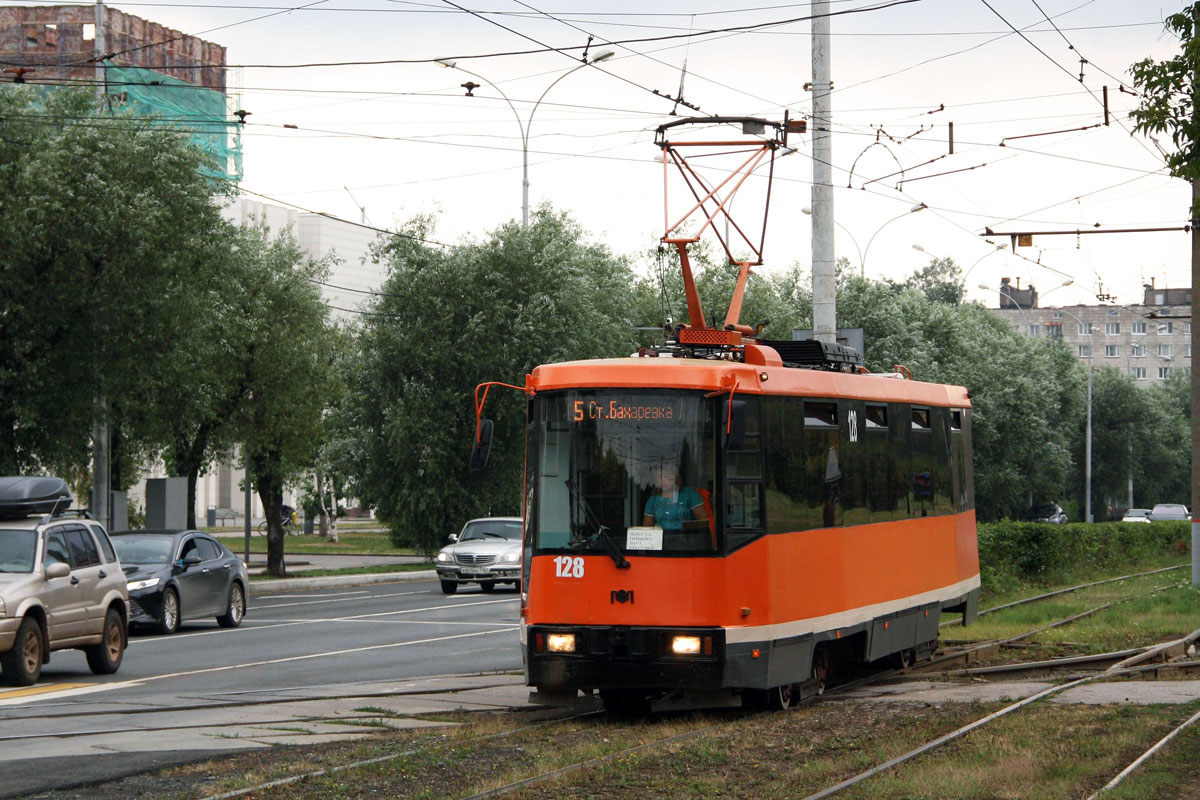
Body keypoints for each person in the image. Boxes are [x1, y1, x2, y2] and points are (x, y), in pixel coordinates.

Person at [642, 465, 708, 531]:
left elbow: (702, 520)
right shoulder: (653, 500)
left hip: (686, 538)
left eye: (667, 476)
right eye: (660, 477)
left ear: (676, 477)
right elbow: (647, 528)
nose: (663, 480)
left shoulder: (690, 494)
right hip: (661, 539)